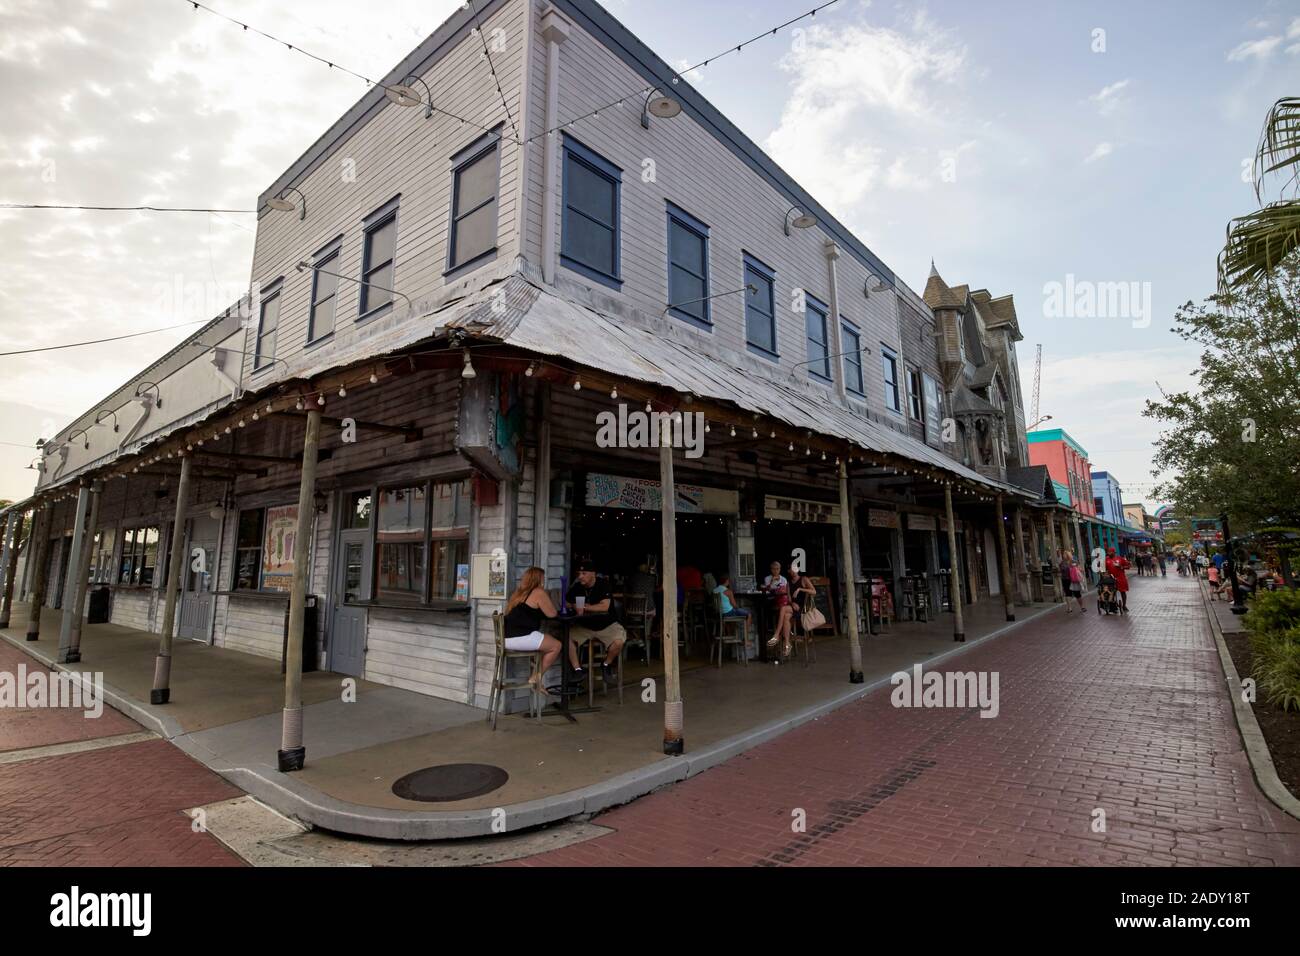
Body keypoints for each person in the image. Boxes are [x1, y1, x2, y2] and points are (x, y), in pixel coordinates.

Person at [502, 567, 562, 697]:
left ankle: (537, 676)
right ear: (539, 579)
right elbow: (552, 614)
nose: (544, 580)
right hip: (521, 636)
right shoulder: (538, 592)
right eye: (543, 578)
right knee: (556, 646)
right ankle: (536, 677)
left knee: (544, 643)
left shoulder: (518, 593)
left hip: (506, 638)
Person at [565, 560, 627, 686]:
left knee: (619, 642)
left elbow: (604, 606)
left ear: (593, 574)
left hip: (607, 625)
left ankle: (606, 664)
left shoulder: (603, 584)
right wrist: (573, 605)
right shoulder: (577, 587)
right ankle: (578, 670)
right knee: (566, 638)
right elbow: (566, 602)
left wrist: (585, 607)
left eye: (584, 573)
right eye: (579, 573)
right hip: (585, 626)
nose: (580, 576)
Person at [761, 560, 794, 654]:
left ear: (780, 569)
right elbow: (767, 589)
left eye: (778, 569)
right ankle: (786, 643)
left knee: (785, 613)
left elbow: (785, 591)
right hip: (773, 601)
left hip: (783, 602)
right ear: (771, 570)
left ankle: (778, 635)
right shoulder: (768, 578)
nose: (776, 571)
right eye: (774, 569)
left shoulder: (783, 579)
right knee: (785, 614)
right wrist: (772, 582)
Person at [1105, 546, 1131, 612]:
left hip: (1121, 578)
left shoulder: (1120, 558)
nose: (1109, 553)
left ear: (1114, 552)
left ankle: (1124, 605)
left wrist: (1121, 567)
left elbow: (1128, 566)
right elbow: (1103, 569)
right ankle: (1113, 606)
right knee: (1112, 592)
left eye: (1110, 552)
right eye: (1108, 552)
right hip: (1111, 579)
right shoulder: (1106, 559)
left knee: (1123, 592)